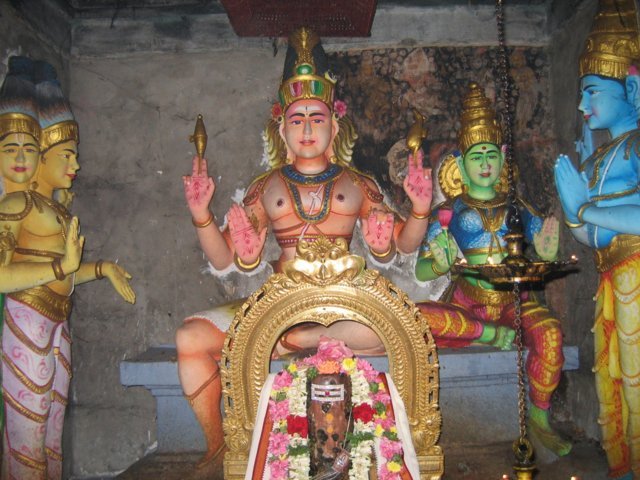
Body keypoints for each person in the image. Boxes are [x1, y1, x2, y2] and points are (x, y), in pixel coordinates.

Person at [177, 27, 433, 467]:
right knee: (189, 338)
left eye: (317, 118)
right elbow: (224, 257)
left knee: (399, 326)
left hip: (345, 305)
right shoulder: (266, 187)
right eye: (297, 120)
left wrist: (420, 211)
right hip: (279, 306)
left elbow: (400, 246)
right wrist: (201, 214)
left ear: (335, 127)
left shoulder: (358, 184)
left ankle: (305, 340)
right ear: (282, 129)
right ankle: (217, 448)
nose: (308, 128)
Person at [416, 82, 570, 456]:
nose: (485, 164)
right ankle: (487, 335)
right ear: (460, 164)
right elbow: (422, 271)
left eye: (490, 155)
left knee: (550, 334)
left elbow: (544, 244)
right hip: (468, 304)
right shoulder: (449, 212)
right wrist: (438, 262)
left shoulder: (517, 207)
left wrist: (545, 252)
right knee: (416, 318)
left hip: (516, 302)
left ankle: (540, 417)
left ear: (501, 159)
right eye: (476, 156)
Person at [0, 61, 135, 480]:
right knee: (28, 438)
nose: (75, 164)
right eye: (67, 154)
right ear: (42, 159)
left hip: (57, 322)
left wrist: (102, 268)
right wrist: (63, 265)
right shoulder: (17, 205)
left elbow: (66, 273)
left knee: (52, 434)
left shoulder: (55, 210)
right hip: (27, 319)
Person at [554, 1, 640, 477]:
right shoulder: (606, 153)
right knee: (615, 376)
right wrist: (574, 207)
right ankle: (624, 463)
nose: (582, 106)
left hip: (637, 272)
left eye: (591, 92)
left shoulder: (636, 144)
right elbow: (587, 236)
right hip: (614, 275)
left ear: (632, 89)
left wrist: (584, 207)